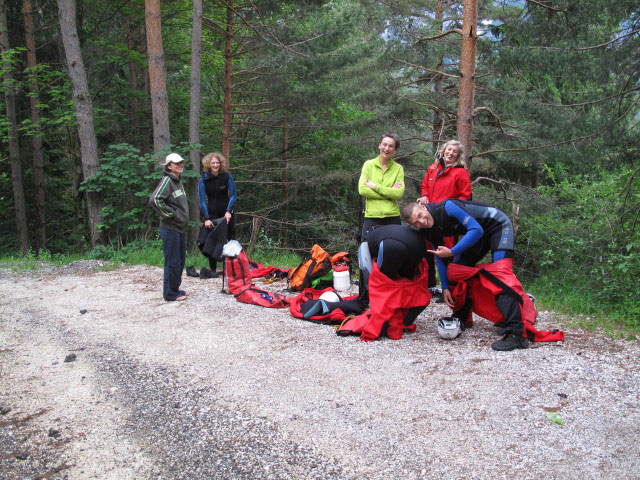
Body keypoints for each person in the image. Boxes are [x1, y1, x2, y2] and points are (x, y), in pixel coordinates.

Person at [402, 199, 530, 351]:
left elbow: (476, 230)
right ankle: (463, 317)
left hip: (498, 225)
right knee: (457, 270)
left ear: (423, 207)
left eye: (421, 215)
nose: (422, 222)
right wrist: (445, 288)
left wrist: (452, 251)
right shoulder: (427, 230)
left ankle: (517, 334)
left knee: (500, 275)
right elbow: (440, 256)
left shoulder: (447, 207)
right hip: (481, 234)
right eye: (416, 222)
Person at [417, 139, 472, 289]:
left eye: (454, 151)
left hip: (447, 220)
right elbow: (424, 186)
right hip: (427, 217)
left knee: (446, 253)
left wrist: (452, 212)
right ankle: (429, 285)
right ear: (443, 151)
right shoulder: (432, 168)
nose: (451, 153)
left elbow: (465, 196)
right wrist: (424, 195)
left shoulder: (460, 172)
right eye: (449, 150)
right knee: (427, 250)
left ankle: (449, 287)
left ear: (458, 155)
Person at [149, 153, 190, 302]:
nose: (180, 165)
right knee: (172, 261)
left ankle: (175, 289)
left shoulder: (177, 181)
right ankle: (170, 294)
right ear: (169, 166)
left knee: (179, 261)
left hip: (179, 228)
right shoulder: (167, 180)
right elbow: (155, 199)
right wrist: (172, 215)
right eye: (176, 163)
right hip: (170, 228)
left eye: (181, 163)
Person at [358, 133, 405, 240]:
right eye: (384, 144)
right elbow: (362, 190)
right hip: (372, 216)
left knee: (394, 250)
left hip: (392, 216)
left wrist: (374, 186)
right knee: (368, 251)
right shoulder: (368, 165)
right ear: (379, 145)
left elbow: (398, 194)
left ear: (395, 150)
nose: (386, 148)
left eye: (391, 146)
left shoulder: (398, 168)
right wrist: (389, 193)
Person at [198, 152, 237, 276]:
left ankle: (229, 269)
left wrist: (228, 211)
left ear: (221, 164)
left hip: (226, 213)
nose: (215, 165)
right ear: (208, 164)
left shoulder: (226, 176)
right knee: (211, 240)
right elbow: (202, 201)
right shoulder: (203, 179)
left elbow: (233, 195)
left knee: (229, 239)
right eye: (213, 163)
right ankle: (213, 270)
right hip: (212, 214)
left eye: (217, 163)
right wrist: (207, 218)